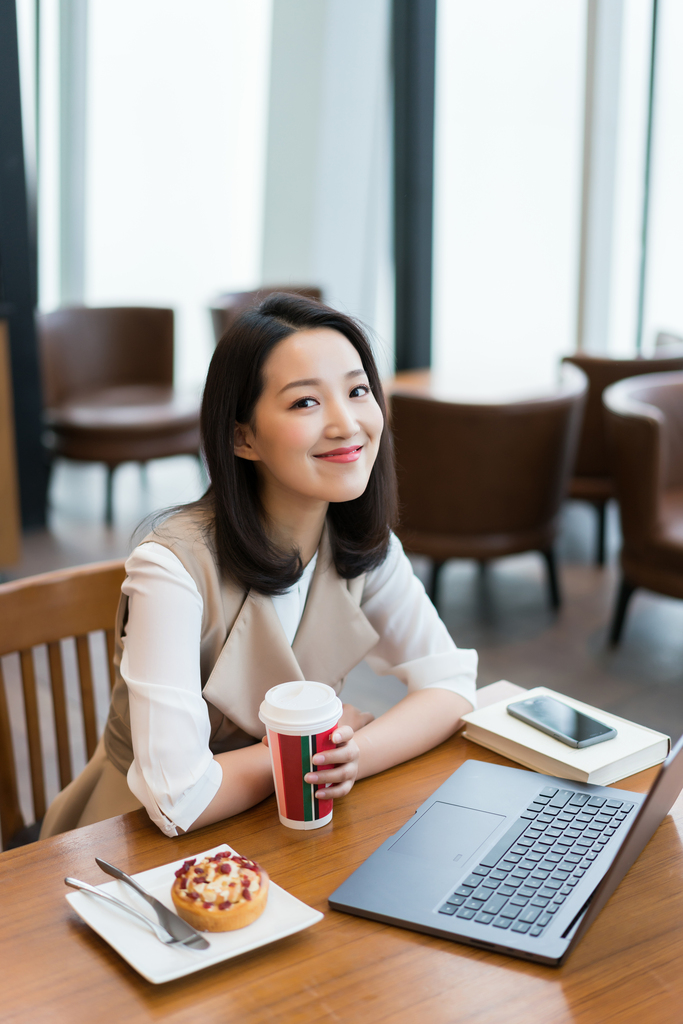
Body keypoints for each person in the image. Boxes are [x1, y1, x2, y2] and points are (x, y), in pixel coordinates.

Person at [41, 294, 477, 840]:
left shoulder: (360, 542)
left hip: (285, 824)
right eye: (305, 403)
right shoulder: (169, 569)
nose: (347, 424)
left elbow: (453, 683)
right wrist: (308, 748)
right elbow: (178, 798)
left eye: (357, 390)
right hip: (133, 847)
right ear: (241, 436)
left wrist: (353, 755)